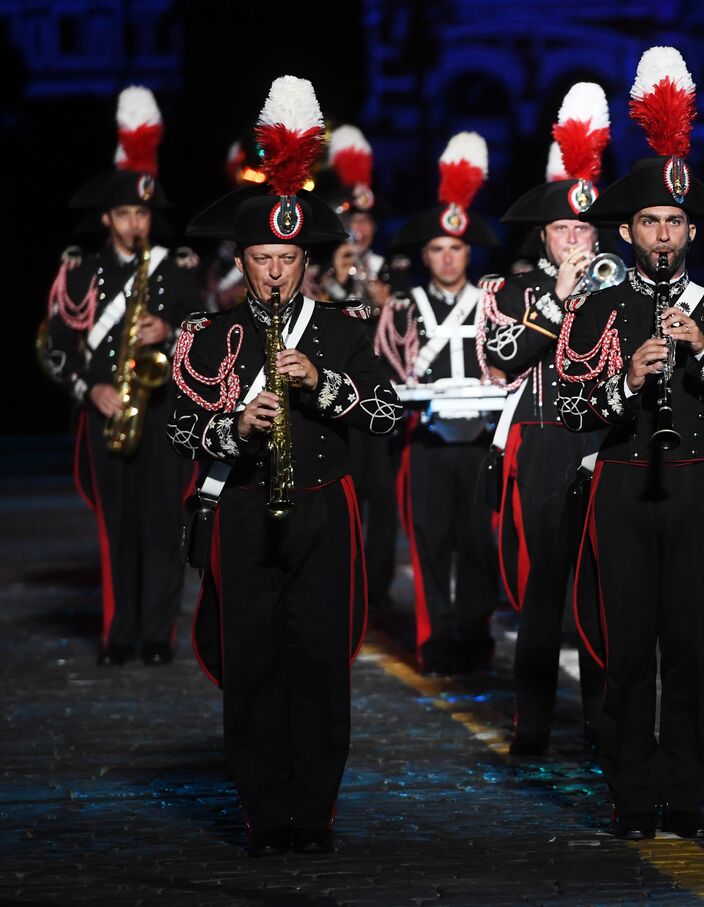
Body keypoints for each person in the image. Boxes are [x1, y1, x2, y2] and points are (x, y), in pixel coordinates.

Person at [169, 76, 403, 857]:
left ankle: (316, 809)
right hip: (241, 506)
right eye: (263, 259)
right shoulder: (211, 332)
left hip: (323, 507)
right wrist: (234, 426)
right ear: (245, 260)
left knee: (319, 663)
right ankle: (265, 811)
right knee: (255, 661)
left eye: (288, 260)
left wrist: (322, 383)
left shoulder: (342, 327)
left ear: (306, 262)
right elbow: (177, 425)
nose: (275, 273)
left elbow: (387, 411)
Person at [557, 47, 704, 839]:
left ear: (690, 229)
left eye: (676, 221)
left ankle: (688, 793)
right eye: (650, 220)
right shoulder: (598, 308)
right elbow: (573, 407)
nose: (663, 233)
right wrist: (627, 377)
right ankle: (629, 793)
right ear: (627, 228)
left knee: (687, 642)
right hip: (619, 480)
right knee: (625, 643)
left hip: (695, 483)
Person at [42, 85, 202, 666]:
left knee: (162, 527)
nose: (137, 223)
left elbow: (213, 339)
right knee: (118, 530)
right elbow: (53, 345)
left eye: (144, 213)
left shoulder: (176, 268)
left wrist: (174, 331)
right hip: (106, 410)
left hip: (164, 413)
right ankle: (120, 633)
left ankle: (156, 634)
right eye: (127, 213)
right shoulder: (80, 272)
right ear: (108, 217)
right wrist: (92, 390)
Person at [486, 82, 611, 754]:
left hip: (598, 438)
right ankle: (531, 724)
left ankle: (600, 721)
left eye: (584, 228)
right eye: (564, 228)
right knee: (541, 592)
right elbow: (502, 355)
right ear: (545, 234)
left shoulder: (617, 287)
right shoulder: (509, 291)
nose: (574, 239)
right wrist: (557, 301)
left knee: (599, 588)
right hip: (538, 444)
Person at [375, 132, 503, 676]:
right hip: (426, 441)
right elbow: (385, 367)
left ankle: (475, 635)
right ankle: (435, 640)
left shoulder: (493, 303)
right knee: (430, 544)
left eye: (455, 249)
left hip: (477, 441)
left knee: (479, 545)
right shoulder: (404, 306)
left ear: (468, 252)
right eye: (437, 249)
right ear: (424, 255)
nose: (447, 258)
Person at [317, 123, 399, 613]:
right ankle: (341, 584)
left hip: (381, 396)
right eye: (351, 219)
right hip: (336, 398)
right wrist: (334, 279)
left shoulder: (393, 268)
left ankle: (381, 589)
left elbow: (399, 327)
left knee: (382, 500)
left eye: (366, 221)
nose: (360, 230)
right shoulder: (321, 271)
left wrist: (376, 291)